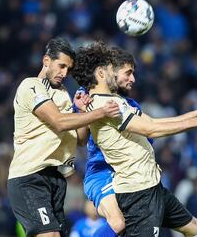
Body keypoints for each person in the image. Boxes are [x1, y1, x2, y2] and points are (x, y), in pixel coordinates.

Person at [72, 42, 197, 237]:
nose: (132, 78)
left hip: (150, 182)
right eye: (118, 70)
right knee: (118, 223)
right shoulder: (103, 105)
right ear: (101, 73)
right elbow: (151, 129)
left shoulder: (120, 102)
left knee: (195, 228)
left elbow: (153, 122)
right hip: (130, 185)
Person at [7, 37, 121, 237]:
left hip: (55, 178)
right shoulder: (31, 86)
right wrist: (99, 113)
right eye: (61, 66)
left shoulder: (63, 94)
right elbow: (58, 121)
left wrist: (81, 111)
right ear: (46, 60)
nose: (64, 73)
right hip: (29, 176)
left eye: (68, 69)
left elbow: (81, 139)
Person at [80, 47, 154, 237]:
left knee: (135, 225)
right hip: (102, 172)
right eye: (127, 73)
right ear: (111, 71)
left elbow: (150, 133)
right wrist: (82, 110)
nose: (133, 79)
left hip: (129, 175)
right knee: (118, 223)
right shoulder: (89, 97)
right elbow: (80, 138)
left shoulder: (131, 106)